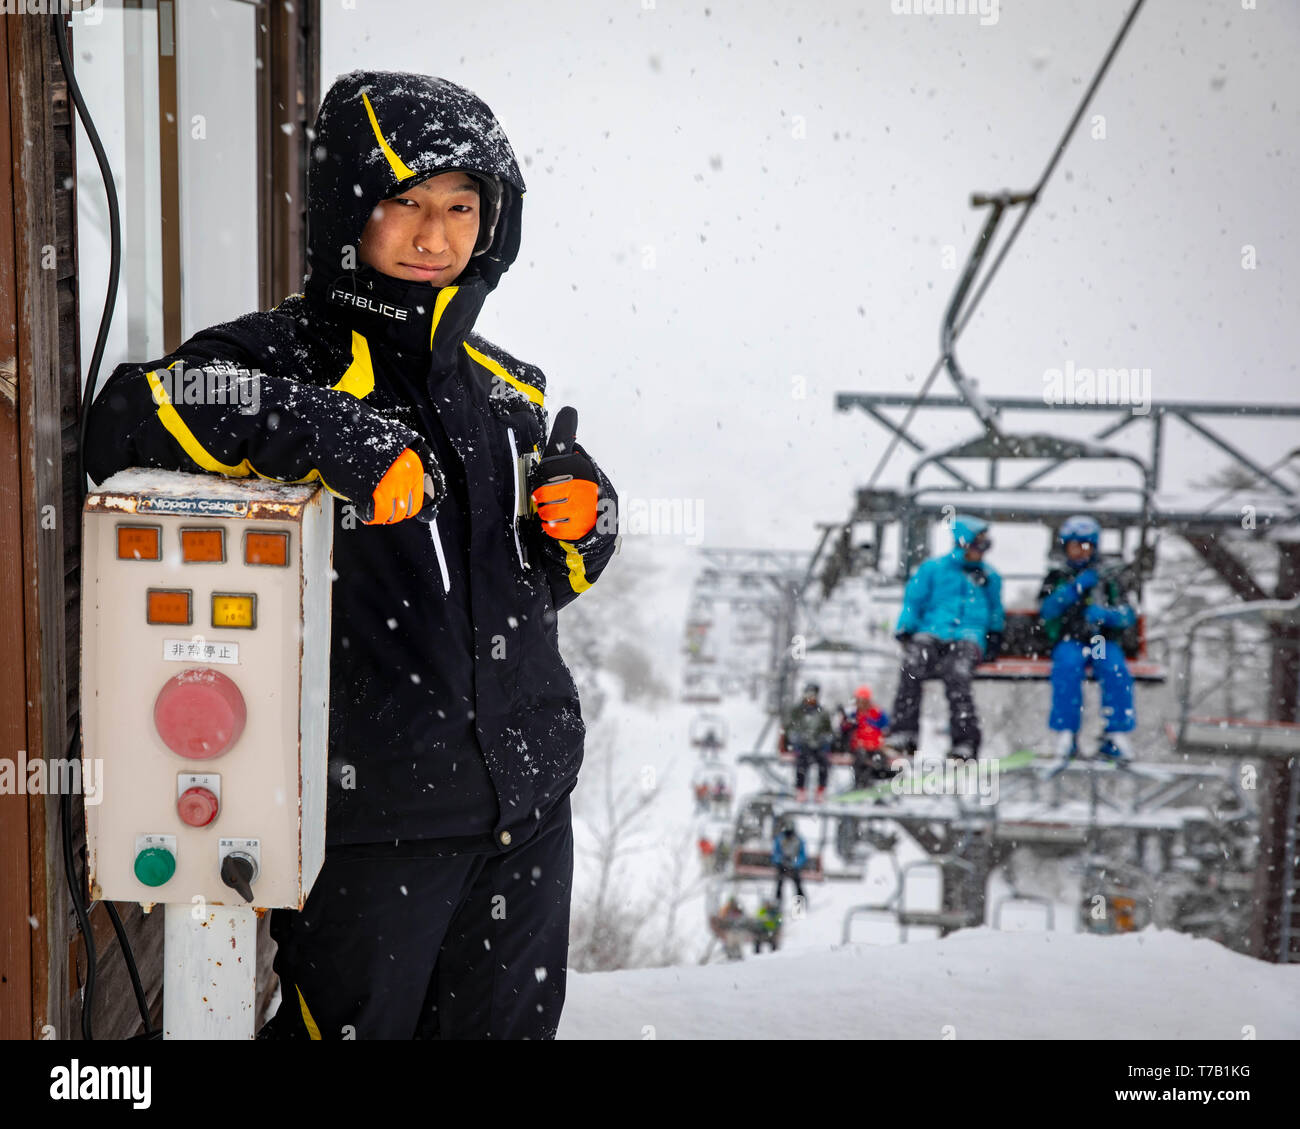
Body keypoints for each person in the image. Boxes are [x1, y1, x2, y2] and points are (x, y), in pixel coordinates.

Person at [85, 71, 620, 1040]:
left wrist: (585, 520)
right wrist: (323, 428)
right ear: (347, 214)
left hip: (528, 804)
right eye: (404, 203)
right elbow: (131, 414)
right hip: (372, 818)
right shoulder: (278, 354)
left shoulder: (506, 390)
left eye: (462, 207)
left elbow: (535, 586)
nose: (435, 236)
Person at [888, 516, 1003, 762]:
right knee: (912, 664)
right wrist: (907, 627)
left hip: (969, 636)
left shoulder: (989, 577)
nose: (981, 553)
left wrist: (995, 634)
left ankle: (965, 741)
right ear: (964, 544)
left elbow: (995, 610)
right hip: (933, 630)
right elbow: (914, 600)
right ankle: (904, 733)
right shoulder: (933, 569)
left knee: (957, 674)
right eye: (977, 545)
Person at [1039, 515, 1137, 764]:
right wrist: (1073, 591)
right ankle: (1066, 732)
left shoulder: (1109, 577)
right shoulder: (1058, 576)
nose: (1080, 552)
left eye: (1085, 546)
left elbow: (1127, 613)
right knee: (1067, 669)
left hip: (1099, 641)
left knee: (1114, 669)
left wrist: (1108, 616)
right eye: (1075, 546)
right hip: (1070, 638)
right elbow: (1047, 610)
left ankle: (1115, 731)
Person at [780, 682, 835, 802]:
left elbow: (828, 731)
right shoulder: (797, 711)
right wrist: (798, 739)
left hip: (818, 747)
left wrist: (822, 740)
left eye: (813, 695)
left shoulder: (823, 713)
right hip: (802, 746)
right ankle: (800, 790)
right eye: (808, 694)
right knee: (802, 762)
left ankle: (821, 790)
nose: (810, 697)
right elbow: (790, 729)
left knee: (823, 762)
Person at [841, 685, 892, 787]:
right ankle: (861, 785)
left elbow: (887, 727)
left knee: (880, 763)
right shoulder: (853, 714)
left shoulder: (877, 713)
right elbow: (844, 729)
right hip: (859, 747)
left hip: (875, 747)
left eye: (864, 700)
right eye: (859, 700)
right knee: (862, 761)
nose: (861, 703)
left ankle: (877, 786)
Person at [771, 821, 808, 904]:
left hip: (794, 867)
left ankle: (799, 908)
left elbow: (802, 856)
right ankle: (777, 904)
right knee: (779, 882)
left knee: (797, 883)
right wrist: (781, 860)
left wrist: (795, 863)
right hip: (782, 866)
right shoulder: (780, 839)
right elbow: (775, 854)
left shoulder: (799, 841)